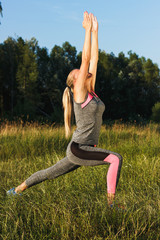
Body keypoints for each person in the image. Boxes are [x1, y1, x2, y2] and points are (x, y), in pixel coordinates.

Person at [7, 12, 123, 207]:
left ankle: (16, 190)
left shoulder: (91, 90)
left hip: (80, 150)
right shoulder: (79, 94)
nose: (83, 69)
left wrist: (95, 32)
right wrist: (86, 32)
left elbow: (93, 58)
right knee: (115, 159)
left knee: (49, 173)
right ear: (75, 82)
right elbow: (86, 57)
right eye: (78, 71)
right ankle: (112, 206)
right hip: (79, 149)